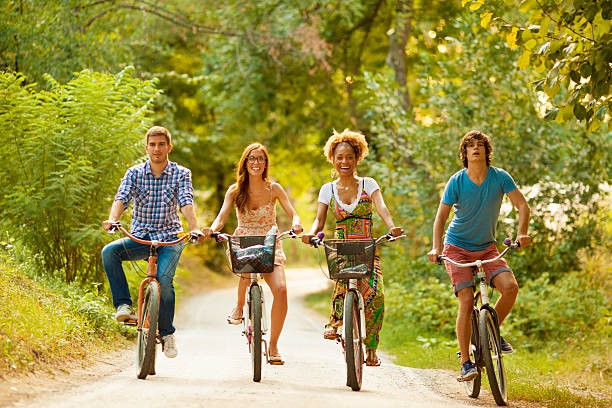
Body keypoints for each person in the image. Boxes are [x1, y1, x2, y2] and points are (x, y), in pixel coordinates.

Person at [427, 130, 531, 381]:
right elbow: (441, 217)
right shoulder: (456, 181)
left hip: (486, 247)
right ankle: (465, 362)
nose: (475, 149)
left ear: (486, 151)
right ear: (464, 153)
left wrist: (522, 233)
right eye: (470, 146)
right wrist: (436, 247)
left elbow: (522, 205)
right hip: (457, 247)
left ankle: (490, 332)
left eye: (480, 145)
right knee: (465, 299)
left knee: (510, 287)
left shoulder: (500, 177)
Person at [301, 129, 403, 367]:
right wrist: (311, 233)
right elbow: (319, 220)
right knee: (342, 284)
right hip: (341, 247)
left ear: (357, 158)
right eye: (339, 157)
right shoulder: (328, 189)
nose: (344, 162)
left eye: (349, 157)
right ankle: (335, 322)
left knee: (376, 296)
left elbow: (382, 208)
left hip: (367, 245)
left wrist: (392, 226)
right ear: (332, 159)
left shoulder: (369, 184)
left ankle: (371, 348)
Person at [101, 125, 203, 359]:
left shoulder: (181, 173)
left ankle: (167, 333)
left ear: (169, 147)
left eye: (161, 144)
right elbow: (121, 198)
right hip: (140, 237)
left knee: (164, 281)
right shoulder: (134, 173)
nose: (157, 149)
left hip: (169, 239)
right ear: (146, 147)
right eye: (153, 144)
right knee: (109, 252)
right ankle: (124, 306)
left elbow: (186, 202)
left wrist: (194, 228)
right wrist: (112, 219)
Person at [202, 143, 303, 365]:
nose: (256, 163)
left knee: (282, 289)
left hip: (270, 241)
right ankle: (239, 306)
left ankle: (274, 345)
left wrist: (296, 224)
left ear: (265, 164)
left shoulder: (274, 189)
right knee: (246, 272)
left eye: (260, 159)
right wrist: (213, 229)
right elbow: (221, 217)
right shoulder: (235, 190)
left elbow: (293, 214)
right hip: (244, 240)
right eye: (251, 159)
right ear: (245, 163)